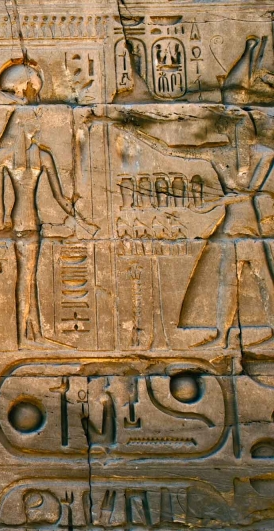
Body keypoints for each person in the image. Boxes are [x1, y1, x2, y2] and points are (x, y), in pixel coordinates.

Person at [115, 105, 274, 348]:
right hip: (231, 226)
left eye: (242, 129)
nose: (238, 136)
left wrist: (216, 202)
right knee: (228, 284)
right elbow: (174, 151)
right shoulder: (220, 154)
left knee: (263, 281)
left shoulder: (264, 155)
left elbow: (248, 192)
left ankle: (237, 334)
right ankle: (223, 336)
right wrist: (139, 134)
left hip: (249, 228)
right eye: (235, 130)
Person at [0, 61, 78, 347]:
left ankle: (34, 334)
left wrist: (77, 213)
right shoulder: (37, 157)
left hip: (22, 220)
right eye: (33, 124)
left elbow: (0, 205)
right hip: (28, 222)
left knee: (29, 278)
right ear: (23, 125)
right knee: (27, 278)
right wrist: (73, 211)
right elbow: (60, 199)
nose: (37, 127)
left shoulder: (7, 155)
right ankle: (24, 337)